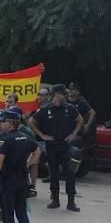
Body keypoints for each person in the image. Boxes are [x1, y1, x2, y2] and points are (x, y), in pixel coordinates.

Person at [29, 84, 83, 212]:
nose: (65, 96)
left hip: (65, 146)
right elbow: (31, 121)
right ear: (56, 94)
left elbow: (80, 120)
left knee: (70, 174)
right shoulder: (46, 109)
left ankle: (71, 202)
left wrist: (73, 134)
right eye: (63, 93)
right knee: (53, 174)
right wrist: (42, 135)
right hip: (52, 146)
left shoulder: (69, 108)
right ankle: (55, 199)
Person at [0, 108, 36, 223]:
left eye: (3, 121)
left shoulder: (6, 139)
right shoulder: (24, 137)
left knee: (8, 212)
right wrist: (29, 163)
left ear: (10, 123)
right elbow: (38, 150)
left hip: (9, 180)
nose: (1, 124)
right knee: (21, 210)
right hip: (22, 179)